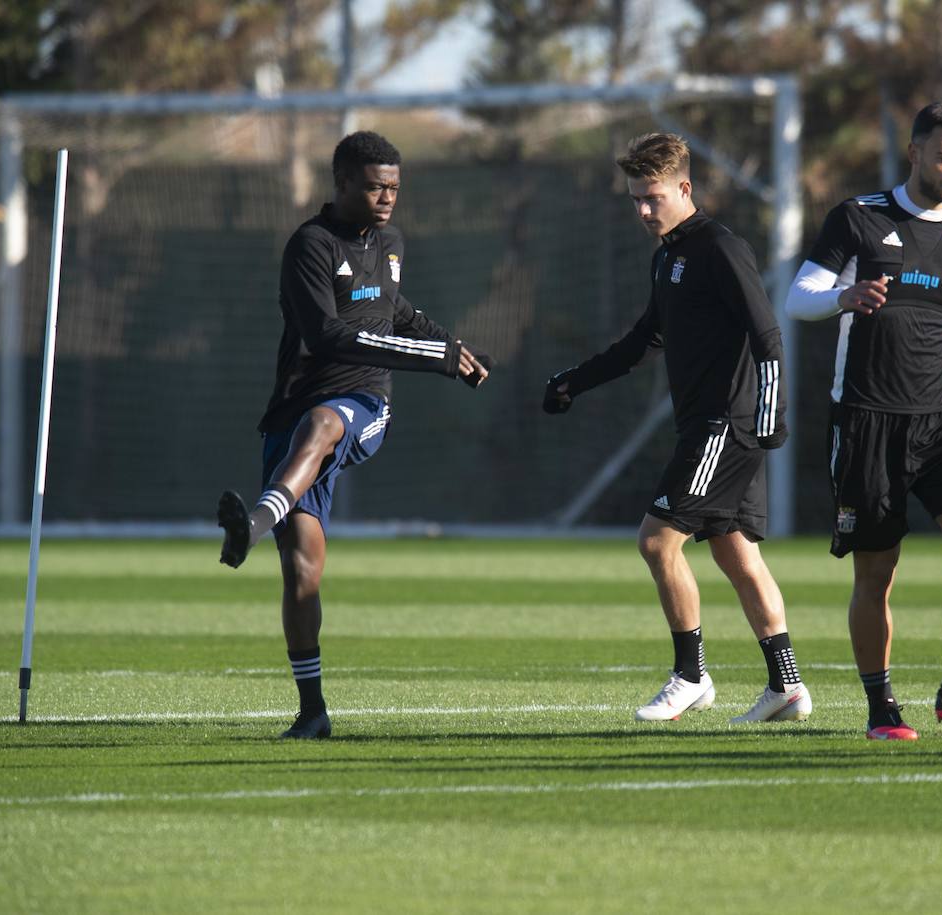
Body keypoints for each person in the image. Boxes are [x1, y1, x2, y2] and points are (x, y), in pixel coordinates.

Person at [217, 131, 490, 740]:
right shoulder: (309, 246)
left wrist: (451, 347)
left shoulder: (391, 243)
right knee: (302, 571)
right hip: (294, 410)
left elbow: (395, 310)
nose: (387, 197)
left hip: (365, 402)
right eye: (373, 187)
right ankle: (313, 712)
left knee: (324, 423)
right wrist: (438, 356)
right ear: (340, 184)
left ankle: (252, 525)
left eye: (393, 187)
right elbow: (326, 336)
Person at [543, 133, 810, 724]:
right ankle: (787, 686)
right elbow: (645, 340)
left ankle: (691, 675)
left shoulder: (720, 248)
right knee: (736, 554)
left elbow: (766, 333)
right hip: (709, 425)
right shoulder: (667, 256)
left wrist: (772, 412)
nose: (643, 210)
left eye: (653, 197)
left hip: (726, 425)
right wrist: (573, 381)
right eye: (635, 199)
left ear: (685, 188)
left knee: (657, 541)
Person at [785, 101, 942, 740]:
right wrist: (844, 296)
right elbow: (797, 298)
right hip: (867, 420)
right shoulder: (858, 218)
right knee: (877, 572)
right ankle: (882, 708)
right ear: (915, 153)